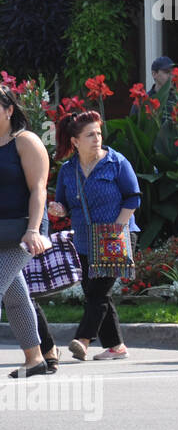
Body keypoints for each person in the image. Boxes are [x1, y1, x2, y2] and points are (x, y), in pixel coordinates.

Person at [48, 110, 139, 361]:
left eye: (98, 133)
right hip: (86, 240)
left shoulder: (116, 162)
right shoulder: (68, 171)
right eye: (90, 135)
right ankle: (116, 346)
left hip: (117, 235)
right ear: (75, 141)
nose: (97, 138)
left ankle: (83, 339)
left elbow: (133, 197)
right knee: (95, 293)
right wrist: (59, 209)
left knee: (98, 291)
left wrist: (118, 229)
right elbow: (63, 203)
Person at [0, 84, 53, 378]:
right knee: (15, 296)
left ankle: (36, 358)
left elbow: (38, 189)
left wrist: (34, 229)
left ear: (9, 110)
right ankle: (35, 359)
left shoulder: (25, 142)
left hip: (23, 231)